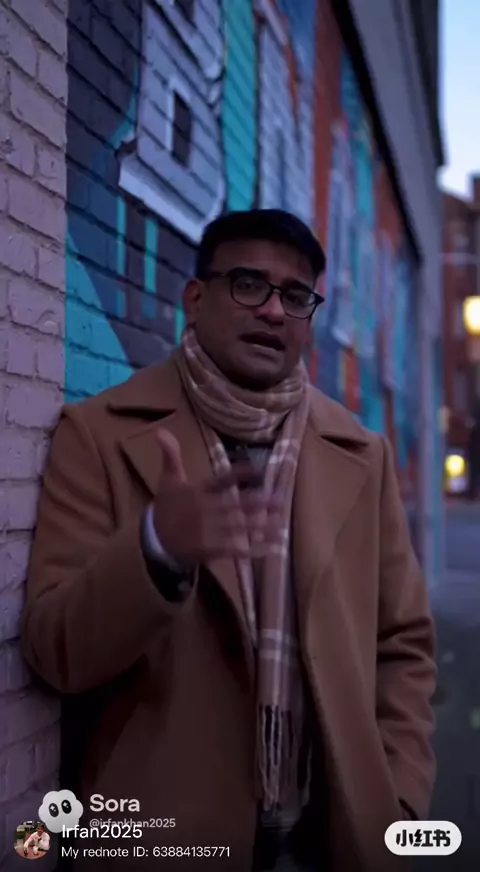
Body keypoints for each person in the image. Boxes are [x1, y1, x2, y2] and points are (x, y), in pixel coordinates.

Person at [22, 209, 436, 871]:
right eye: (248, 284)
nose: (273, 310)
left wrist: (398, 803)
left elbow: (402, 645)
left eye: (295, 295)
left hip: (329, 841)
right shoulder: (99, 435)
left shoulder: (362, 454)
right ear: (195, 298)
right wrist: (157, 550)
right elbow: (54, 649)